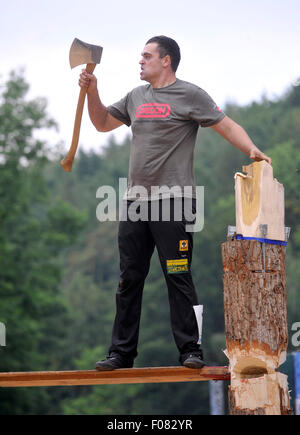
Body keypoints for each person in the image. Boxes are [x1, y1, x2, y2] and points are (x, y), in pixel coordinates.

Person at [79, 35, 272, 371]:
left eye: (146, 55)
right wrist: (92, 90)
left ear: (165, 60)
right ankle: (120, 353)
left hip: (175, 200)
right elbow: (101, 124)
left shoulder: (190, 95)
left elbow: (225, 124)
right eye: (141, 56)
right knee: (129, 278)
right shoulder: (135, 97)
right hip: (135, 202)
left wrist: (251, 149)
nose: (140, 61)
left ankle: (190, 350)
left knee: (178, 273)